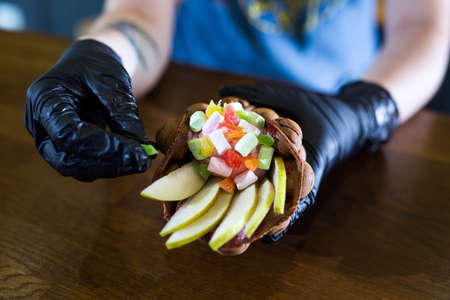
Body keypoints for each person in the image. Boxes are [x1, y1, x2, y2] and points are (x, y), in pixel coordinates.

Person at [25, 1, 449, 238]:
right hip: (191, 95)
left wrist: (363, 108)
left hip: (347, 102)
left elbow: (421, 24)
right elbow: (138, 13)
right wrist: (106, 55)